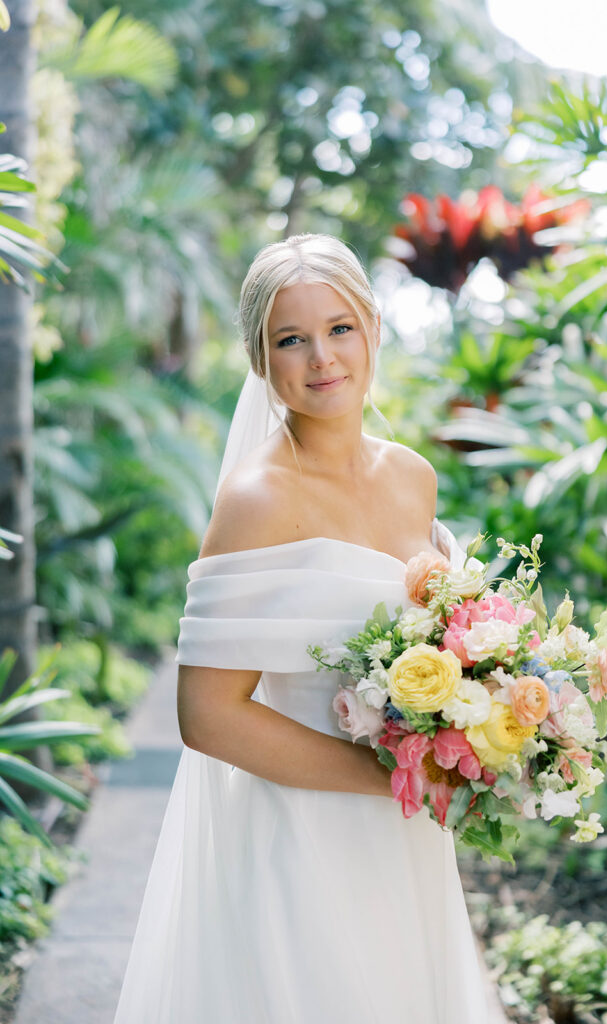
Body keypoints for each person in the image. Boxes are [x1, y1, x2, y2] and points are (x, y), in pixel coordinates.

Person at [113, 233, 490, 1023]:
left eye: (339, 329)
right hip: (302, 829)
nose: (321, 357)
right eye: (291, 339)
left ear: (373, 329)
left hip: (405, 833)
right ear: (260, 359)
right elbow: (207, 715)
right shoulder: (257, 498)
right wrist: (395, 779)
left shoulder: (411, 476)